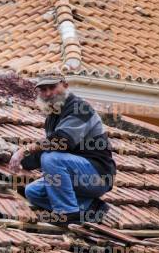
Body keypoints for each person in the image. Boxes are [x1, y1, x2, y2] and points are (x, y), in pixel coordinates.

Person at [8, 72, 116, 225]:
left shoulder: (80, 108)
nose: (48, 93)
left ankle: (67, 212)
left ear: (65, 85)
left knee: (51, 158)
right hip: (75, 177)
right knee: (32, 192)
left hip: (97, 177)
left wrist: (23, 151)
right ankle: (91, 207)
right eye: (43, 90)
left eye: (52, 87)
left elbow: (61, 141)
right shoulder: (52, 118)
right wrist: (19, 162)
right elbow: (44, 150)